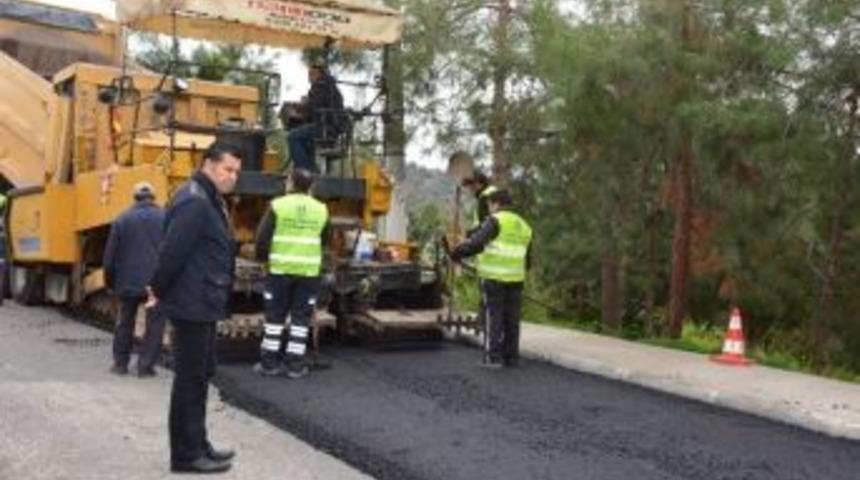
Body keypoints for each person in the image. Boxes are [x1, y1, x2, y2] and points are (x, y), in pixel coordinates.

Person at [148, 142, 242, 474]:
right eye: (227, 169)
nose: (232, 177)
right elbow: (172, 252)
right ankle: (186, 456)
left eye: (236, 172)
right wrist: (156, 288)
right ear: (208, 164)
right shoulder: (194, 201)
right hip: (191, 304)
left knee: (200, 377)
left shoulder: (208, 198)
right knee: (189, 380)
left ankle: (199, 444)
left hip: (202, 301)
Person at [253, 168, 330, 379]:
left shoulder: (278, 205)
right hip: (308, 273)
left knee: (275, 317)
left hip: (280, 271)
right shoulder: (321, 209)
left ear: (290, 183)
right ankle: (295, 366)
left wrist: (262, 261)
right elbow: (324, 241)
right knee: (300, 319)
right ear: (310, 187)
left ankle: (269, 364)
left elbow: (262, 239)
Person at [447, 189, 533, 368]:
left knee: (492, 316)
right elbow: (529, 259)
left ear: (496, 204)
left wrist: (456, 254)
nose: (489, 209)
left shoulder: (495, 221)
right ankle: (512, 357)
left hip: (493, 277)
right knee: (512, 317)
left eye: (490, 205)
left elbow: (476, 243)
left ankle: (492, 357)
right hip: (516, 279)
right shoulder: (525, 226)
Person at [103, 182, 166, 377]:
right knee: (154, 324)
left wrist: (110, 282)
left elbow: (109, 257)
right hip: (155, 283)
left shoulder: (122, 219)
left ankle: (120, 364)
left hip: (127, 281)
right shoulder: (166, 217)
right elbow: (173, 250)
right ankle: (145, 367)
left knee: (125, 322)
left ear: (134, 197)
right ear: (153, 198)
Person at [286, 62, 344, 172]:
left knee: (292, 137)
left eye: (312, 74)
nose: (309, 77)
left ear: (320, 74)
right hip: (325, 127)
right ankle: (311, 168)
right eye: (309, 74)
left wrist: (300, 111)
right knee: (303, 137)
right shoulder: (329, 87)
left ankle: (304, 171)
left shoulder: (322, 86)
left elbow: (315, 109)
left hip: (325, 129)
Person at [462, 170, 498, 235]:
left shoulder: (485, 196)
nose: (469, 188)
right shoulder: (492, 192)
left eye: (471, 184)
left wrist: (469, 234)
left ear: (479, 184)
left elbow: (486, 223)